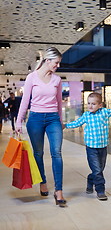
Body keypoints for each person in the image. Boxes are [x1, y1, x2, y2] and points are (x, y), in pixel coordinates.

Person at [16, 47, 66, 208]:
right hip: (35, 118)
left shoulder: (57, 80)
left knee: (56, 153)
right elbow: (25, 101)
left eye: (59, 63)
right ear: (47, 60)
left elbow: (59, 103)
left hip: (53, 119)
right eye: (56, 63)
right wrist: (18, 121)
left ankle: (59, 190)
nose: (57, 66)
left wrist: (60, 120)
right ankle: (42, 182)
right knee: (38, 153)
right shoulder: (32, 77)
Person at [65, 92, 111, 201]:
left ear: (100, 105)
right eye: (88, 103)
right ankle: (100, 190)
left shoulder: (104, 112)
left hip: (103, 147)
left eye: (93, 104)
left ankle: (90, 179)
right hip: (91, 148)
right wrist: (65, 125)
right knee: (98, 170)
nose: (90, 106)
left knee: (99, 169)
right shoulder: (86, 115)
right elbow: (77, 123)